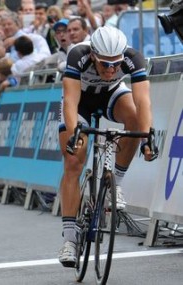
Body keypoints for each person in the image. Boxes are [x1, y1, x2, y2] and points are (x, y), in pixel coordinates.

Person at [57, 26, 157, 267]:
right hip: (81, 103)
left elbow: (142, 100)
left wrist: (147, 138)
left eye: (116, 64)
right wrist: (74, 134)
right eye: (104, 64)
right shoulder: (77, 54)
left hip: (111, 95)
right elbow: (70, 100)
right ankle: (70, 239)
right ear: (93, 55)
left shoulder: (133, 58)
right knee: (73, 162)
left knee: (135, 121)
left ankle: (116, 184)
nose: (111, 69)